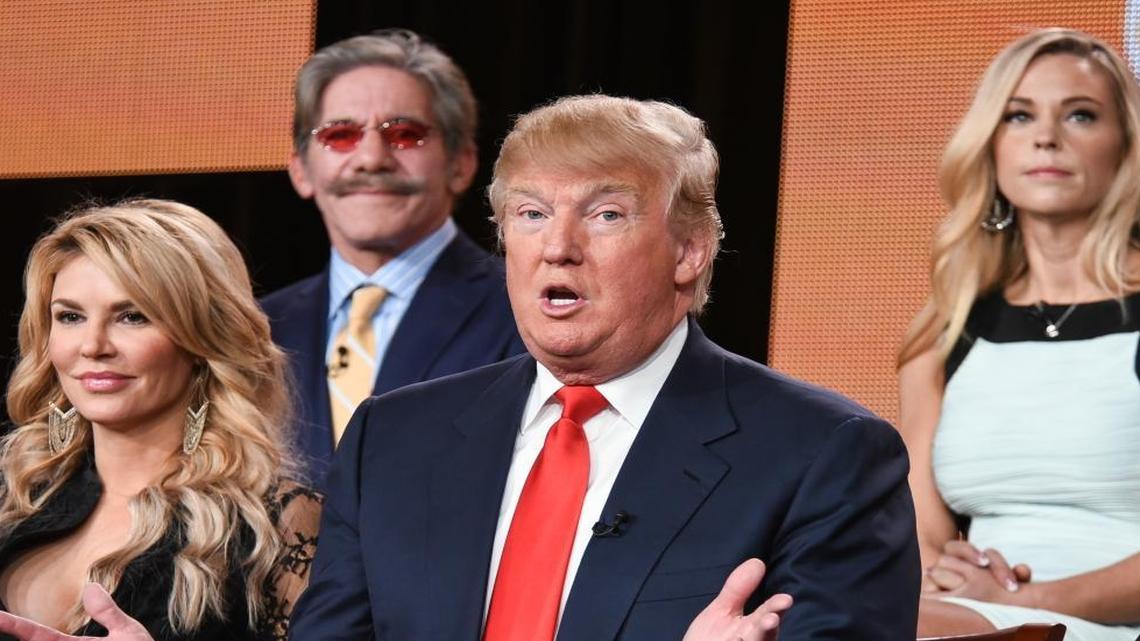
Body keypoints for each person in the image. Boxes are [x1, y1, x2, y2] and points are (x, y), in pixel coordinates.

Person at [288, 95, 920, 641]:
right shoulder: (392, 440)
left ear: (689, 250)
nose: (558, 248)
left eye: (606, 215)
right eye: (531, 214)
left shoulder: (824, 455)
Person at [898, 28, 1140, 641]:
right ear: (991, 145)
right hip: (972, 619)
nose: (1046, 136)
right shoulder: (945, 331)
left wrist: (1029, 599)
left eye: (1080, 115)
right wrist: (943, 576)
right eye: (1018, 115)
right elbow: (918, 535)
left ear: (1126, 145)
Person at [0, 200, 321, 641]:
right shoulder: (12, 494)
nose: (92, 346)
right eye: (70, 317)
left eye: (132, 317)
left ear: (202, 339)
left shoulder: (279, 523)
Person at [262, 29, 524, 482]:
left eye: (404, 134)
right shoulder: (258, 329)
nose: (371, 158)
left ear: (461, 164)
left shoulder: (523, 308)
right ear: (301, 170)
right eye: (340, 135)